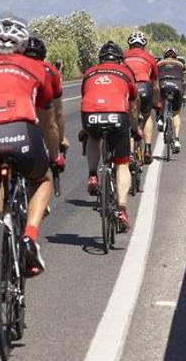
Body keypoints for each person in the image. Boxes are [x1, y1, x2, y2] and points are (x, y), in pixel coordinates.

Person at [0, 18, 60, 324]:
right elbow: (48, 121)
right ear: (21, 45)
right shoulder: (37, 67)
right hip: (22, 135)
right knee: (42, 179)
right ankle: (29, 236)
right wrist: (53, 155)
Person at [80, 41, 140, 232]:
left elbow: (86, 98)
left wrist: (86, 129)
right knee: (122, 164)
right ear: (120, 60)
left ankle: (92, 175)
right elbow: (132, 106)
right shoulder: (126, 73)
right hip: (117, 116)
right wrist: (135, 128)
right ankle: (122, 210)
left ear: (100, 60)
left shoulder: (89, 72)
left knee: (92, 137)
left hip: (90, 115)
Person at [22, 36, 68, 169]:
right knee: (40, 178)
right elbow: (58, 111)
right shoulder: (50, 70)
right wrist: (60, 139)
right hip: (40, 118)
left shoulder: (16, 67)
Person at [123, 30, 159, 164]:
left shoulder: (123, 56)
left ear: (129, 44)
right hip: (145, 87)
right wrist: (157, 103)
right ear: (144, 45)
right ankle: (148, 149)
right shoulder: (149, 58)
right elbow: (155, 86)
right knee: (147, 116)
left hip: (130, 87)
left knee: (129, 119)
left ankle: (131, 153)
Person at [156, 47, 186, 153]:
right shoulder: (180, 64)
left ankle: (160, 119)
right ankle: (177, 139)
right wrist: (183, 95)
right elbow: (184, 80)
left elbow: (155, 78)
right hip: (177, 86)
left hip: (163, 84)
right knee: (176, 114)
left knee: (161, 97)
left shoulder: (159, 63)